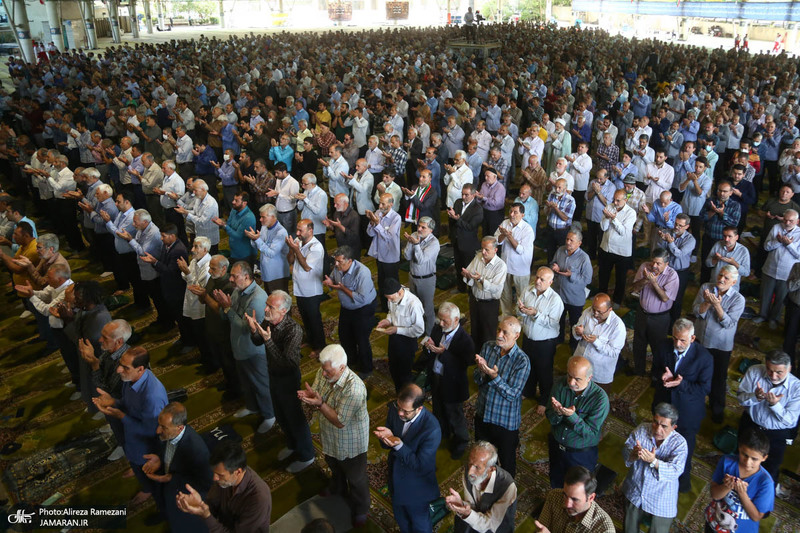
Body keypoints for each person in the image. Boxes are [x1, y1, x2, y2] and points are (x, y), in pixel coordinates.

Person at [297, 344, 370, 527]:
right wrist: (311, 397)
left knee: (356, 479)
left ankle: (361, 508)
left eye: (328, 371)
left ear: (342, 368)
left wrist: (319, 403)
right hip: (330, 436)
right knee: (334, 466)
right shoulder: (325, 372)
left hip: (351, 442)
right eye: (322, 369)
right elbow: (317, 393)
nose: (323, 374)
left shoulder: (354, 388)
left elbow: (339, 421)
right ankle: (337, 487)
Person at [247, 290, 316, 473]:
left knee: (294, 417)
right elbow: (257, 341)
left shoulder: (293, 330)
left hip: (288, 378)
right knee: (280, 413)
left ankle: (307, 455)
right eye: (267, 305)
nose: (266, 309)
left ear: (283, 310)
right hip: (273, 374)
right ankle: (292, 445)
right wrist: (254, 329)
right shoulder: (269, 319)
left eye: (271, 306)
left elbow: (288, 364)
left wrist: (268, 341)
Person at [92, 347, 169, 504]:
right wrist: (113, 401)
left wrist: (121, 416)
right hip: (133, 440)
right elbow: (127, 404)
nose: (119, 370)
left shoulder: (152, 396)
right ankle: (141, 477)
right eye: (120, 364)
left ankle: (152, 494)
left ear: (140, 369)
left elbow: (151, 431)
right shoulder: (130, 379)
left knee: (156, 487)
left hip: (148, 448)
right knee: (136, 464)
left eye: (125, 367)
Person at [213, 261, 275, 434]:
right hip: (239, 348)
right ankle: (252, 407)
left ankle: (270, 415)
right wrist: (223, 307)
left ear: (247, 277)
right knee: (246, 382)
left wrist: (227, 309)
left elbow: (245, 327)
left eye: (235, 276)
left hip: (253, 351)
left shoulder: (258, 298)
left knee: (261, 384)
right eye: (231, 275)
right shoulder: (237, 291)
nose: (231, 279)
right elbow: (226, 316)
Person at [651, 318, 713, 492]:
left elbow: (704, 389)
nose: (677, 343)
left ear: (692, 339)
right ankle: (659, 478)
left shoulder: (704, 358)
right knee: (659, 445)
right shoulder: (663, 346)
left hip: (687, 414)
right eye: (675, 338)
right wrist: (661, 375)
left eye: (682, 340)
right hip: (663, 407)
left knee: (683, 452)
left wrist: (681, 384)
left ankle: (681, 485)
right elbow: (654, 370)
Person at [374, 384, 442, 533]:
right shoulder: (395, 409)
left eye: (405, 411)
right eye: (398, 407)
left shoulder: (432, 429)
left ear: (419, 409)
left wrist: (398, 445)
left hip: (416, 486)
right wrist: (385, 438)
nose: (400, 413)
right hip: (395, 477)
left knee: (419, 524)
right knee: (401, 519)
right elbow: (387, 444)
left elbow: (420, 465)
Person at [473, 316, 530, 477]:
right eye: (499, 329)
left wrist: (494, 377)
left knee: (506, 463)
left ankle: (506, 494)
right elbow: (476, 379)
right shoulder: (488, 347)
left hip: (504, 422)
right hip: (483, 414)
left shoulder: (522, 361)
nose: (499, 334)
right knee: (482, 457)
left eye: (505, 332)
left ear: (516, 336)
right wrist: (482, 372)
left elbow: (512, 394)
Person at [143, 402, 213, 533]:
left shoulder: (197, 450)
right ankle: (164, 514)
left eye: (163, 427)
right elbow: (168, 452)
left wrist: (172, 478)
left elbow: (205, 483)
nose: (158, 430)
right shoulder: (169, 433)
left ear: (180, 428)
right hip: (168, 486)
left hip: (182, 493)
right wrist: (159, 459)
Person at [738, 350, 800, 492]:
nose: (773, 376)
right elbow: (740, 399)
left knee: (771, 467)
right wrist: (755, 397)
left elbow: (790, 421)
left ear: (789, 369)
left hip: (776, 434)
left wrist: (775, 405)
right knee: (743, 460)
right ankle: (739, 489)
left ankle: (763, 498)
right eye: (769, 370)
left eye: (779, 372)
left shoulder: (796, 387)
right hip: (751, 426)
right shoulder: (754, 371)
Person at [176, 440, 271, 533]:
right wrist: (199, 505)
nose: (214, 478)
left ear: (238, 472)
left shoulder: (259, 499)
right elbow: (212, 504)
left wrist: (206, 515)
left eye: (220, 475)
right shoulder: (225, 480)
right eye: (214, 472)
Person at [622, 403, 688, 533]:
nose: (658, 430)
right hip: (636, 490)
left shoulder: (680, 443)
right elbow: (626, 449)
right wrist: (632, 454)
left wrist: (653, 461)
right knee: (629, 529)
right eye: (655, 423)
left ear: (673, 427)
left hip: (662, 497)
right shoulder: (641, 430)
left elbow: (675, 471)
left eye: (664, 426)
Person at [546, 356, 609, 488]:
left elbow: (590, 434)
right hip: (557, 447)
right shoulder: (560, 384)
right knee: (556, 481)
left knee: (579, 488)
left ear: (589, 378)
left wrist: (572, 417)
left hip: (580, 454)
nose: (571, 382)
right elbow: (550, 417)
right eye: (569, 376)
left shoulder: (600, 399)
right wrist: (557, 413)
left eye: (577, 379)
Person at [693, 265, 746, 423]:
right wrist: (707, 303)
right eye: (720, 275)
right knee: (697, 373)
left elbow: (729, 324)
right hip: (700, 340)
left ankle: (717, 410)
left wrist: (716, 305)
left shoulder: (738, 299)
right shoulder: (706, 287)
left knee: (718, 379)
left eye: (726, 278)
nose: (721, 279)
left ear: (734, 281)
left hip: (720, 346)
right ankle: (695, 403)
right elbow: (696, 311)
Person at [422, 302, 475, 460]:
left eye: (445, 321)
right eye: (440, 320)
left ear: (456, 319)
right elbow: (431, 347)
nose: (441, 323)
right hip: (437, 378)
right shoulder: (439, 328)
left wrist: (444, 353)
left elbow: (466, 362)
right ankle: (443, 433)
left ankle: (461, 442)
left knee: (454, 415)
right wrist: (428, 347)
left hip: (453, 384)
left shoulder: (465, 340)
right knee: (438, 410)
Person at [707, 427, 775, 533]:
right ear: (739, 448)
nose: (748, 462)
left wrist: (742, 493)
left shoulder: (766, 483)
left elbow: (756, 517)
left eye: (754, 459)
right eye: (744, 455)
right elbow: (715, 495)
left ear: (764, 458)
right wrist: (726, 486)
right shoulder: (726, 462)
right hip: (715, 523)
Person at [325, 246, 378, 377]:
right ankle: (352, 361)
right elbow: (333, 279)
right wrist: (330, 282)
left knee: (361, 339)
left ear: (350, 261)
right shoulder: (338, 268)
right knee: (345, 335)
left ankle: (367, 369)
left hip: (363, 308)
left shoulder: (362, 272)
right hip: (347, 307)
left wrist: (343, 289)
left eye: (340, 262)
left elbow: (362, 298)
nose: (336, 264)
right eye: (335, 261)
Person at [445, 441, 517, 533]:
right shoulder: (469, 471)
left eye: (477, 467)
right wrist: (461, 504)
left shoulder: (507, 487)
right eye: (470, 463)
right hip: (476, 518)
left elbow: (490, 525)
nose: (470, 472)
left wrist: (468, 514)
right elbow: (471, 505)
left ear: (491, 469)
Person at [518, 267, 563, 412]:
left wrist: (536, 314)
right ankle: (528, 391)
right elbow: (519, 311)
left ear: (550, 282)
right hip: (528, 338)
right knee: (528, 366)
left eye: (542, 279)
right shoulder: (528, 290)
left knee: (544, 371)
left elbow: (553, 323)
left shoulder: (555, 300)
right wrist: (522, 310)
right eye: (536, 277)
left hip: (545, 343)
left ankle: (544, 399)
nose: (537, 281)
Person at [630, 248, 679, 376]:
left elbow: (664, 298)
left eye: (658, 263)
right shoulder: (645, 267)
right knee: (638, 343)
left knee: (658, 347)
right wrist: (645, 280)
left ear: (666, 264)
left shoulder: (672, 276)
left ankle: (656, 375)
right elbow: (634, 288)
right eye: (653, 262)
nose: (654, 266)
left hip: (659, 318)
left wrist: (654, 283)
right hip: (642, 313)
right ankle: (638, 370)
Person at [754, 209, 800, 327]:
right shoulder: (776, 228)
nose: (787, 223)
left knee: (781, 297)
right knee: (765, 294)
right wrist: (779, 242)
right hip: (770, 267)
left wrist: (789, 245)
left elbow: (798, 255)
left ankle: (774, 318)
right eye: (785, 219)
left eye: (791, 221)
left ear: (797, 221)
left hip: (787, 272)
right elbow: (766, 247)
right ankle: (762, 315)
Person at [535, 466, 615, 533]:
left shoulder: (604, 529)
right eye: (565, 495)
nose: (567, 504)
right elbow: (541, 528)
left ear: (591, 498)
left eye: (574, 499)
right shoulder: (554, 496)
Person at [573, 293, 626, 393]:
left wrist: (596, 342)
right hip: (580, 366)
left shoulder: (618, 326)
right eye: (594, 309)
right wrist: (577, 331)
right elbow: (576, 328)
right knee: (576, 397)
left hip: (598, 373)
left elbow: (614, 352)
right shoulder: (588, 312)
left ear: (610, 310)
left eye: (599, 312)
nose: (595, 314)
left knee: (596, 403)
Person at [287, 219, 326, 355]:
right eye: (297, 230)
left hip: (311, 291)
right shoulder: (298, 242)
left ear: (310, 231)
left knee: (314, 320)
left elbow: (306, 266)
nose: (297, 233)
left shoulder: (316, 247)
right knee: (305, 318)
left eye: (300, 230)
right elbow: (290, 260)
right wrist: (292, 249)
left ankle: (320, 346)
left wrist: (296, 249)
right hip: (299, 288)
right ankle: (310, 340)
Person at [463, 236, 507, 350]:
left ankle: (487, 358)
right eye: (482, 248)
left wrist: (481, 279)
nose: (483, 252)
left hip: (489, 304)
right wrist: (468, 275)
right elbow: (470, 274)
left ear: (495, 250)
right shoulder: (478, 257)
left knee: (488, 333)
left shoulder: (501, 266)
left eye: (486, 250)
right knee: (475, 329)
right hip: (475, 300)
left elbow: (495, 288)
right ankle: (475, 355)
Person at [598, 189, 637, 307]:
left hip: (621, 251)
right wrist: (606, 217)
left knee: (620, 278)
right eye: (614, 199)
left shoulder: (631, 213)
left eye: (618, 200)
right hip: (606, 247)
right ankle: (601, 297)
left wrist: (614, 219)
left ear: (625, 200)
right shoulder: (609, 206)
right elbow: (604, 228)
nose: (615, 202)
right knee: (603, 275)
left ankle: (617, 300)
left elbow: (623, 232)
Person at [495, 203, 535, 316]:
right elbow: (497, 240)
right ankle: (506, 315)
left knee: (521, 296)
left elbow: (520, 250)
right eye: (510, 212)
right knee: (504, 294)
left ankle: (521, 318)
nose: (512, 215)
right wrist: (503, 235)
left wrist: (509, 236)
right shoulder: (505, 223)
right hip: (505, 266)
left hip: (520, 269)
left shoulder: (527, 230)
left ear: (522, 215)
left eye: (515, 212)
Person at [403, 216, 440, 336]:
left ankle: (429, 335)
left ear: (430, 230)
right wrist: (410, 242)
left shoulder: (434, 243)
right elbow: (407, 257)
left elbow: (420, 260)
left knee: (427, 309)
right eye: (419, 226)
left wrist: (417, 244)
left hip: (426, 279)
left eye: (423, 227)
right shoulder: (415, 235)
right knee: (414, 307)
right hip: (413, 277)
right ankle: (417, 330)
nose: (419, 229)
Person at [366, 193, 402, 313]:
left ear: (391, 204)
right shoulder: (377, 213)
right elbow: (370, 233)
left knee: (392, 283)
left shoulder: (396, 217)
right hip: (379, 254)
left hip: (390, 256)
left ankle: (396, 306)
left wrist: (377, 224)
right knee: (381, 282)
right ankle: (384, 306)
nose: (380, 206)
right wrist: (372, 222)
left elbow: (389, 236)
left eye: (383, 203)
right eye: (379, 203)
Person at [701, 181, 741, 283]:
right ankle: (704, 285)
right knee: (706, 263)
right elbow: (702, 217)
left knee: (721, 267)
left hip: (724, 242)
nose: (722, 193)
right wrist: (713, 211)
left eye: (725, 191)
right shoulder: (710, 201)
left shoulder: (735, 205)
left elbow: (734, 224)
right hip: (708, 238)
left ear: (731, 192)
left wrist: (722, 213)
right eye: (720, 190)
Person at [448, 184, 484, 293]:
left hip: (468, 243)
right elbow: (452, 221)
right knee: (459, 266)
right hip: (457, 240)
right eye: (462, 194)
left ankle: (470, 291)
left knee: (469, 268)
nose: (463, 197)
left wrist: (456, 219)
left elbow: (470, 227)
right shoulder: (458, 202)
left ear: (473, 195)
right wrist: (452, 217)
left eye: (466, 195)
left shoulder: (477, 209)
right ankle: (461, 288)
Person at [247, 204, 290, 294]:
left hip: (277, 273)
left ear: (272, 217)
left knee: (280, 301)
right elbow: (257, 246)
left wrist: (257, 240)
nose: (260, 220)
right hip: (266, 271)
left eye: (263, 217)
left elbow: (271, 253)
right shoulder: (264, 227)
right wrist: (254, 239)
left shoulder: (281, 232)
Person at [705, 226, 750, 292]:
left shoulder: (743, 251)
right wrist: (715, 259)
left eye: (730, 236)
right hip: (715, 285)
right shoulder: (718, 245)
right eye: (724, 236)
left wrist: (734, 263)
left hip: (731, 289)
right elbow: (707, 264)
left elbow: (746, 273)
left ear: (736, 237)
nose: (726, 239)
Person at [543, 178, 575, 264]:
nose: (557, 190)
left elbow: (565, 218)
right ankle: (549, 270)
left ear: (565, 189)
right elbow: (546, 213)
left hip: (562, 231)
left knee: (562, 253)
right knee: (550, 251)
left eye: (559, 188)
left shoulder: (570, 200)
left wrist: (556, 208)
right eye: (556, 187)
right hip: (550, 228)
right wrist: (549, 207)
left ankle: (560, 270)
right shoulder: (552, 195)